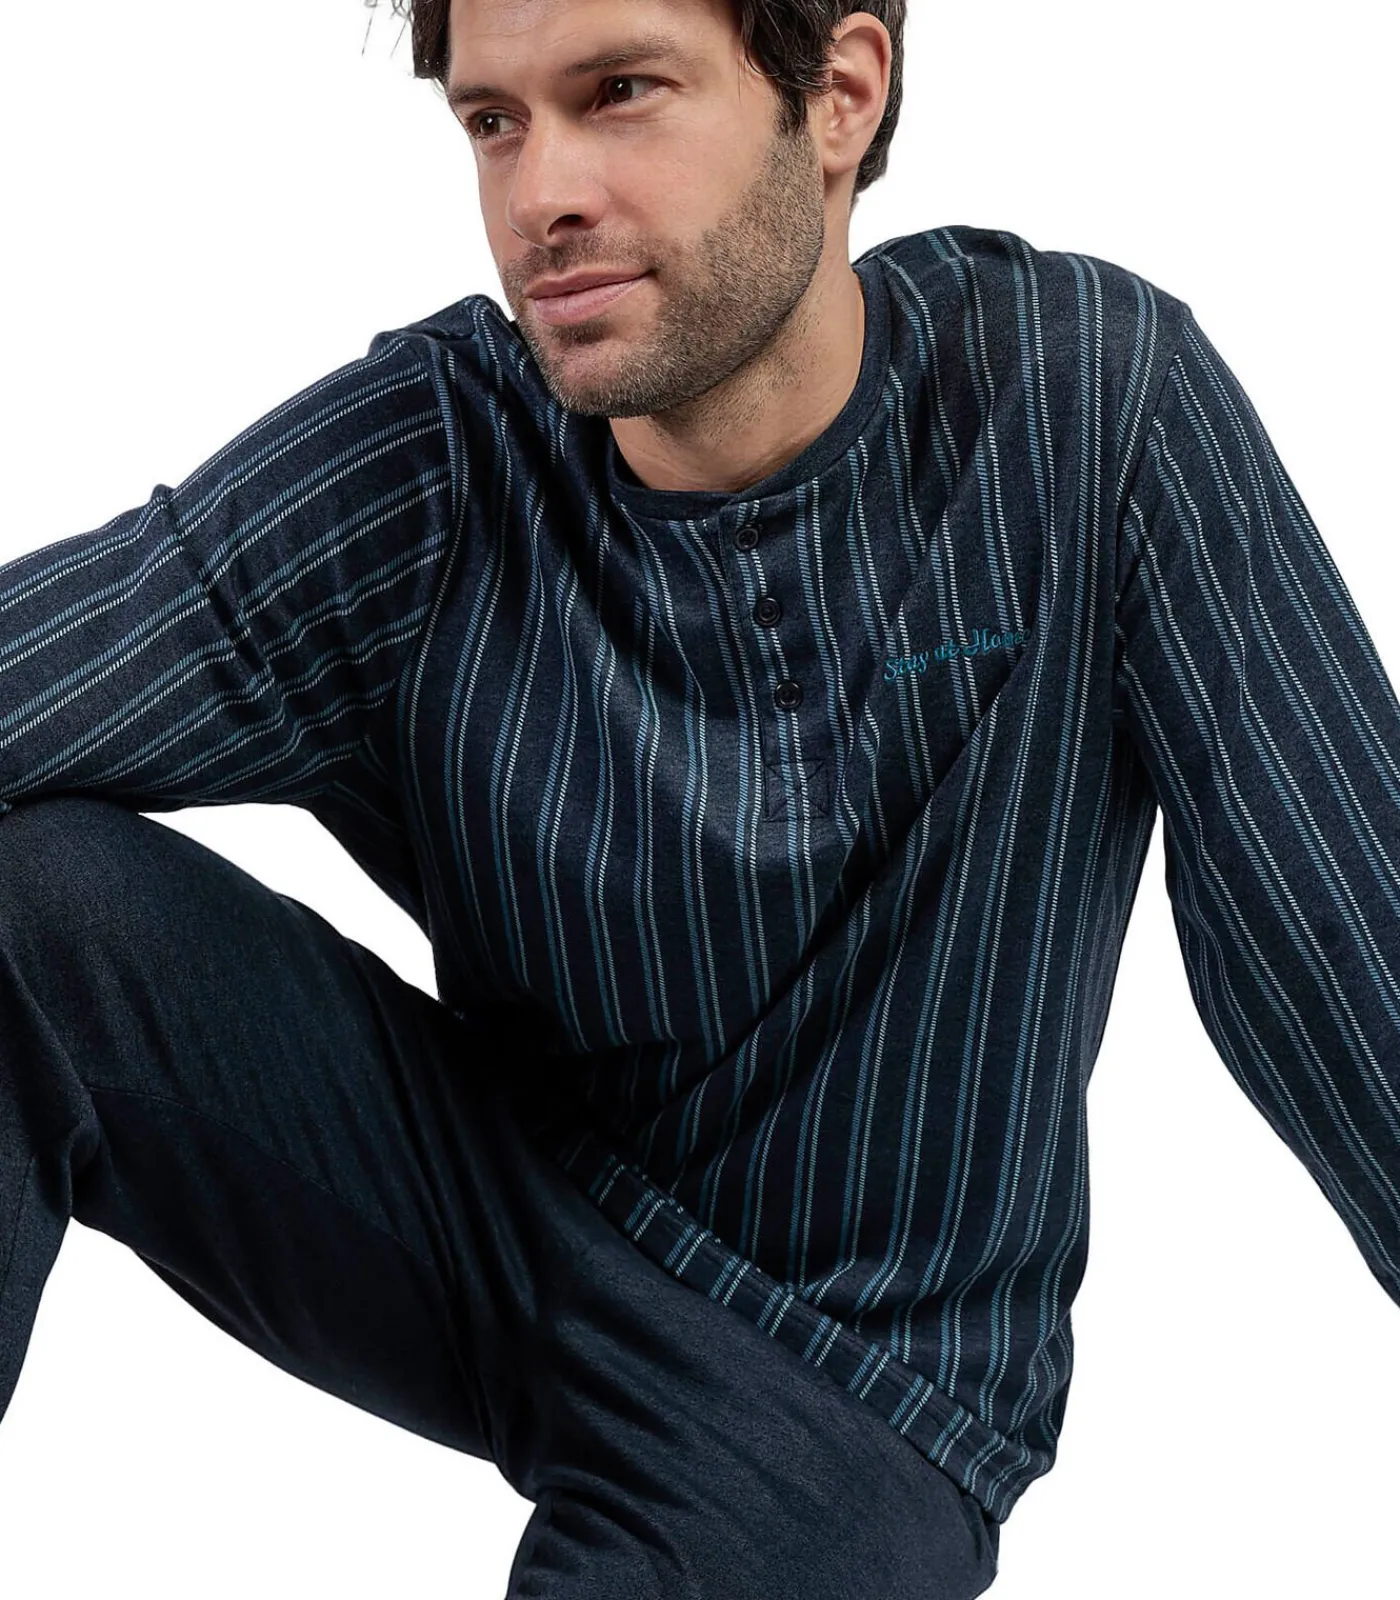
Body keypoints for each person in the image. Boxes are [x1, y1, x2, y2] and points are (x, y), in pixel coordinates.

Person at [2, 0, 1398, 1594]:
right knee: (27, 908)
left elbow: (1350, 961)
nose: (539, 196)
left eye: (619, 92)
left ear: (840, 95)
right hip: (506, 1224)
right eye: (494, 122)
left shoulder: (1088, 407)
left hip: (847, 1399)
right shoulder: (441, 459)